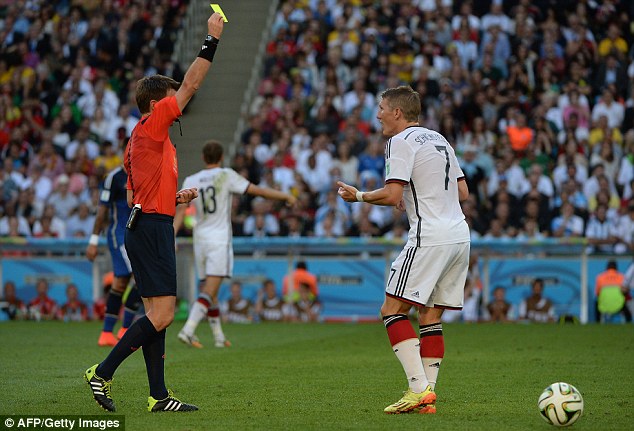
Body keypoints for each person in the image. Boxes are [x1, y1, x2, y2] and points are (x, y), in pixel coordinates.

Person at [83, 12, 225, 413]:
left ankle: (159, 396)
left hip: (144, 222)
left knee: (155, 315)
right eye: (171, 95)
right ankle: (102, 373)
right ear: (154, 102)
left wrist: (173, 197)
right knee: (161, 314)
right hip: (152, 229)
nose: (178, 99)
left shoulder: (139, 138)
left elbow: (134, 192)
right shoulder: (154, 122)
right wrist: (210, 40)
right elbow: (193, 83)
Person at [337, 86, 470, 415]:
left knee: (391, 309)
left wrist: (360, 197)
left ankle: (417, 388)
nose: (378, 114)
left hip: (431, 236)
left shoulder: (399, 141)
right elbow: (463, 192)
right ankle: (427, 398)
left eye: (381, 108)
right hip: (459, 234)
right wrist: (416, 198)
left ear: (397, 112)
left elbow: (392, 193)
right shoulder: (440, 139)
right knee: (429, 315)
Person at [173, 140, 295, 348]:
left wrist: (172, 235)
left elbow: (182, 210)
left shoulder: (191, 179)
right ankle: (188, 329)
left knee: (211, 289)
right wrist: (284, 196)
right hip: (218, 239)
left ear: (203, 158)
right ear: (221, 158)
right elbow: (258, 191)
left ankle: (219, 336)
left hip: (199, 239)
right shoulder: (226, 175)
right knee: (211, 288)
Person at [86, 151, 142, 346]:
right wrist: (93, 241)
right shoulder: (114, 177)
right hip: (119, 235)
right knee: (141, 277)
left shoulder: (143, 172)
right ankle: (125, 328)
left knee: (120, 283)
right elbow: (102, 212)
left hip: (138, 235)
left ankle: (107, 333)